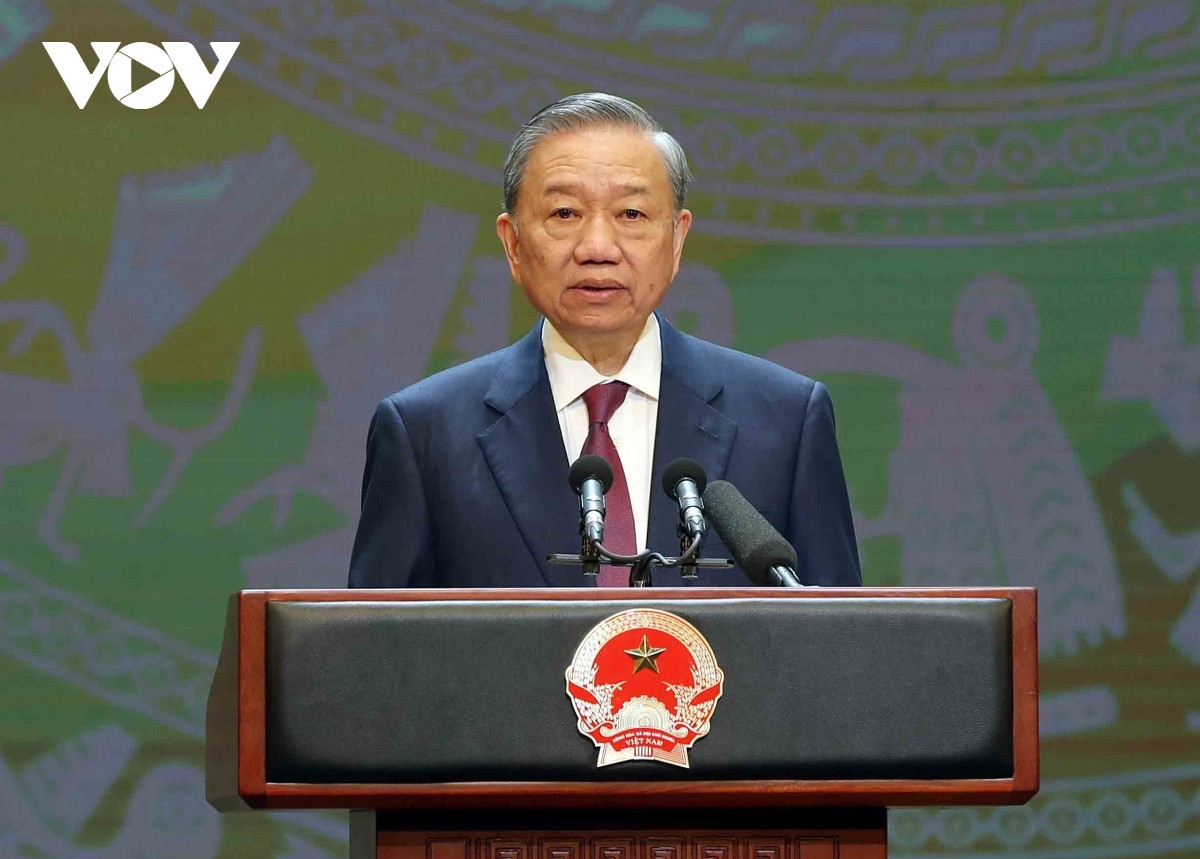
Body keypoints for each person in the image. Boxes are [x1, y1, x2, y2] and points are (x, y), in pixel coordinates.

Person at [349, 93, 860, 588]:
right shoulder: (424, 433)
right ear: (512, 243)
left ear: (678, 239)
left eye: (631, 215)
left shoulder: (786, 418)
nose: (597, 248)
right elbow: (373, 653)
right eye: (564, 214)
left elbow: (843, 643)